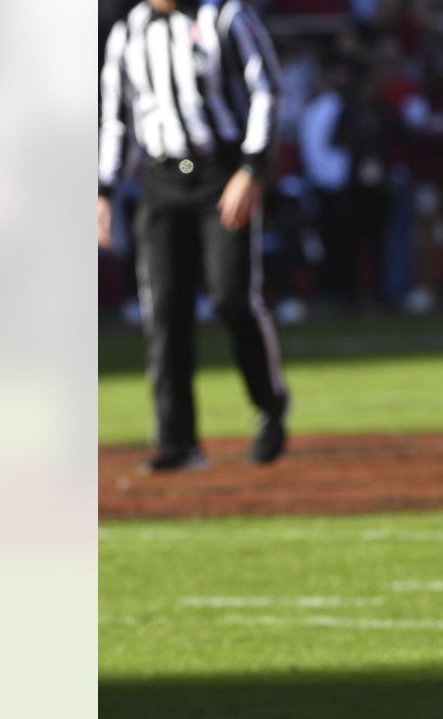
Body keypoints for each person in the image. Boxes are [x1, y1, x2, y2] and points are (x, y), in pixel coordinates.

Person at [98, 0, 290, 472]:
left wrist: (252, 167)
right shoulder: (128, 31)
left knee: (231, 298)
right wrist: (102, 188)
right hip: (159, 181)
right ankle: (178, 440)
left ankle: (269, 403)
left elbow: (265, 89)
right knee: (163, 310)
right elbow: (116, 116)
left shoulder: (225, 17)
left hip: (220, 173)